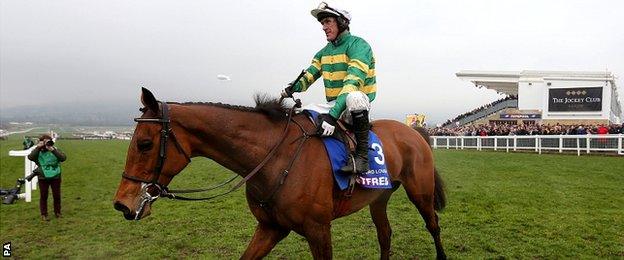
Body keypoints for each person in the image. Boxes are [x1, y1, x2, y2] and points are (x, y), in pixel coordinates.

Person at [281, 2, 376, 174]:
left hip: (354, 105)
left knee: (354, 97)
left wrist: (332, 117)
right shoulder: (323, 53)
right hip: (333, 104)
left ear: (341, 22)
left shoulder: (359, 46)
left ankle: (362, 158)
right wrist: (292, 87)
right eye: (322, 23)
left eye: (328, 22)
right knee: (302, 111)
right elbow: (309, 75)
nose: (324, 27)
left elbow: (352, 83)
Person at [27, 134, 67, 221]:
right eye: (45, 141)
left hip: (56, 176)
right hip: (43, 177)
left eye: (48, 141)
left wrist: (53, 150)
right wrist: (38, 147)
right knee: (43, 196)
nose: (47, 143)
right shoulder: (38, 151)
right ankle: (44, 214)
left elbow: (63, 158)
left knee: (57, 195)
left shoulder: (54, 149)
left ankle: (58, 212)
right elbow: (30, 157)